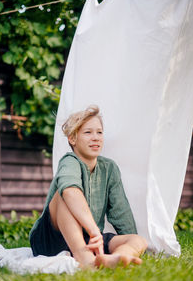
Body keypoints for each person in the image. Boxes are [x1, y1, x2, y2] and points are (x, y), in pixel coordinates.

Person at [29, 105, 147, 268]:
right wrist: (93, 231)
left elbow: (121, 211)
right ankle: (86, 261)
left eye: (99, 132)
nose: (96, 137)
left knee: (137, 240)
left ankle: (120, 257)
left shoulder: (109, 168)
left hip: (89, 239)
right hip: (52, 240)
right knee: (63, 195)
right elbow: (70, 192)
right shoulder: (69, 161)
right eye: (88, 132)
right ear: (72, 138)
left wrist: (128, 239)